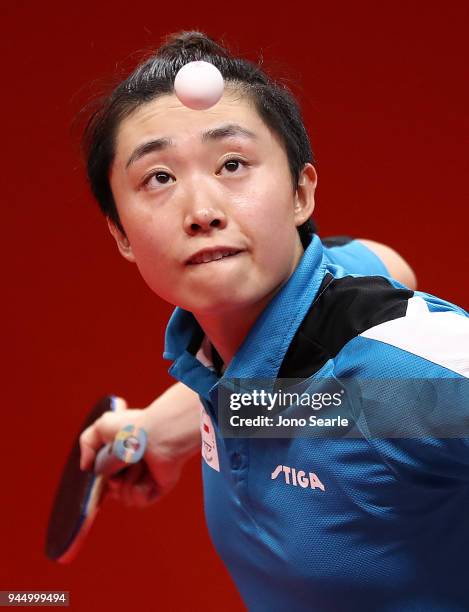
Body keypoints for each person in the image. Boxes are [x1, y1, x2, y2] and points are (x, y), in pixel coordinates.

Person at [79, 31, 468, 611]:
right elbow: (385, 262)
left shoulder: (391, 378)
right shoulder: (252, 362)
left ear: (300, 194)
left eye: (232, 163)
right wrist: (167, 421)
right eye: (159, 178)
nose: (202, 211)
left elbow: (381, 393)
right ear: (120, 234)